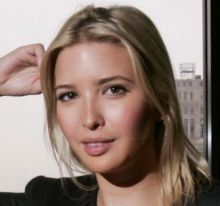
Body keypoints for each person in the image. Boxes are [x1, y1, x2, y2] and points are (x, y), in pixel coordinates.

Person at [0, 5, 220, 206]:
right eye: (68, 95)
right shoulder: (47, 199)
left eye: (114, 90)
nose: (89, 119)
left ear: (160, 100)